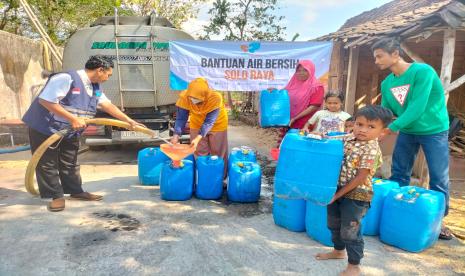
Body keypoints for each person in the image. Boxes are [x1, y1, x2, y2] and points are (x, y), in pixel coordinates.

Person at [22, 55, 144, 212]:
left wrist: (129, 121)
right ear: (100, 70)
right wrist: (73, 118)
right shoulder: (66, 78)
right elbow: (46, 100)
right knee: (47, 162)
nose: (108, 78)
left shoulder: (95, 87)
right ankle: (55, 196)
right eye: (108, 74)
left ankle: (75, 191)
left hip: (70, 129)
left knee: (70, 161)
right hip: (46, 127)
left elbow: (107, 105)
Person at [372, 38, 452, 240]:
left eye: (379, 56)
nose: (376, 61)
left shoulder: (422, 72)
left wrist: (390, 129)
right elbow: (386, 111)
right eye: (375, 57)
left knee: (438, 177)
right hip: (408, 130)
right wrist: (372, 126)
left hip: (434, 130)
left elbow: (417, 107)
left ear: (396, 54)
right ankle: (396, 213)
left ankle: (438, 222)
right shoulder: (387, 83)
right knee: (399, 173)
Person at [315, 105, 393, 276]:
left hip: (357, 194)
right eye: (359, 124)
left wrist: (336, 195)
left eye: (371, 127)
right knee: (333, 224)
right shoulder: (350, 138)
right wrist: (319, 136)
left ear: (382, 131)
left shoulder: (371, 149)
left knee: (350, 230)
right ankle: (338, 251)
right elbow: (332, 139)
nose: (363, 130)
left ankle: (354, 266)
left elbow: (360, 178)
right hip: (338, 190)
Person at [170, 78, 228, 174]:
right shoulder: (185, 97)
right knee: (200, 153)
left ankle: (220, 180)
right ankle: (203, 178)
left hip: (218, 124)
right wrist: (176, 135)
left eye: (198, 100)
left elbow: (209, 121)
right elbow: (181, 118)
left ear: (205, 95)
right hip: (197, 123)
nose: (194, 101)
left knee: (218, 154)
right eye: (193, 98)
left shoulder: (215, 97)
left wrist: (197, 138)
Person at [272, 60, 324, 147]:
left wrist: (295, 118)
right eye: (298, 70)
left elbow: (314, 106)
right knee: (285, 147)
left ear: (311, 71)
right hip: (288, 123)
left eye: (305, 70)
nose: (301, 73)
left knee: (301, 148)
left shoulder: (317, 87)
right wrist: (274, 91)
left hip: (306, 124)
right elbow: (282, 97)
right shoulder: (292, 85)